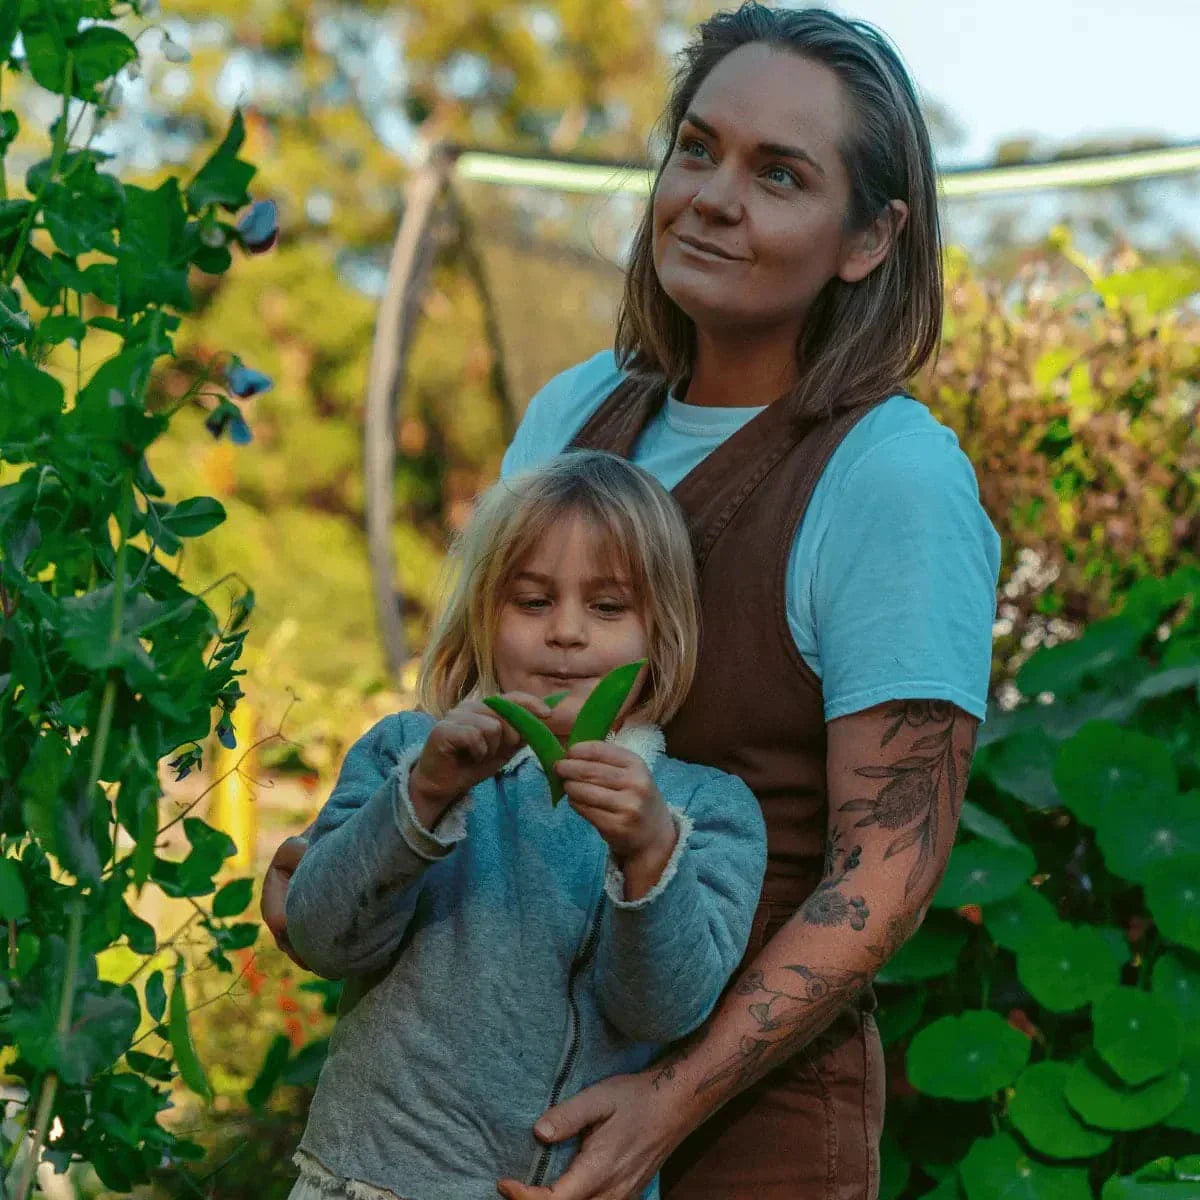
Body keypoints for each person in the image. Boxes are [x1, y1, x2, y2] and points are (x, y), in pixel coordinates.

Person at [264, 4, 1001, 1197]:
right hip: (454, 1125)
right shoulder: (574, 413)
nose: (711, 196)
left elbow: (885, 872)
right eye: (697, 148)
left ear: (869, 237)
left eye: (779, 174)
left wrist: (670, 1100)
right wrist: (342, 854)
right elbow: (466, 714)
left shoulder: (891, 478)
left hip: (740, 1132)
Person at [281, 451, 767, 1200]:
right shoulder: (405, 752)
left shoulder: (708, 812)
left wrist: (648, 852)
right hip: (362, 1178)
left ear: (662, 633)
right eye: (532, 601)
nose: (566, 633)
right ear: (482, 617)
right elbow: (320, 937)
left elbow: (662, 1009)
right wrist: (426, 792)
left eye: (608, 607)